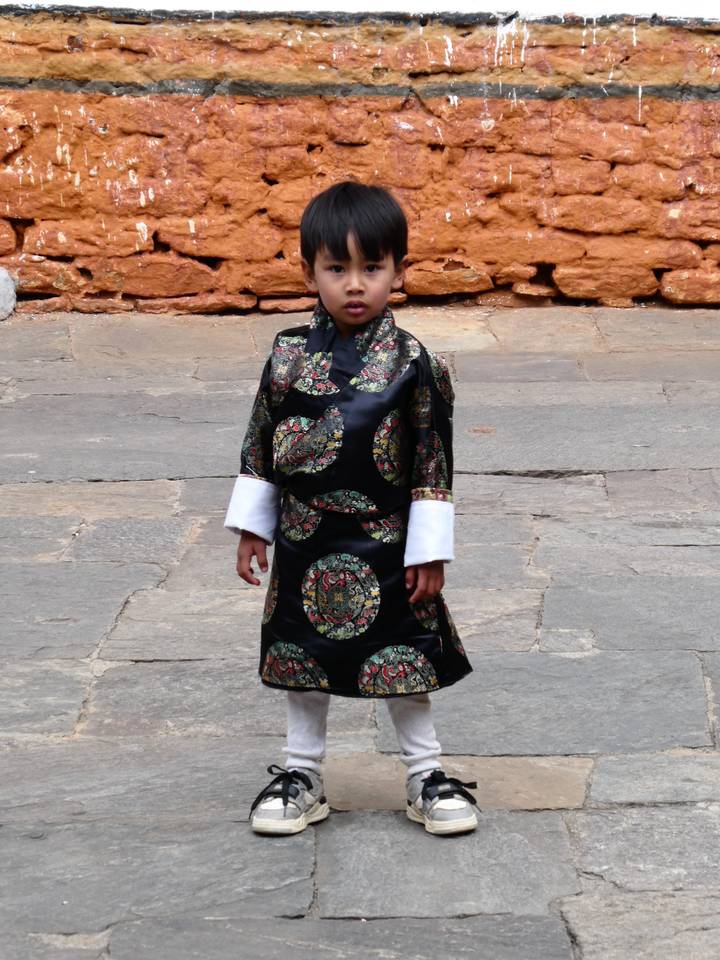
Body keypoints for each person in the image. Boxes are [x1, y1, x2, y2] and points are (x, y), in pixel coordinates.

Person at [224, 180, 478, 837]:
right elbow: (261, 440)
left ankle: (426, 774)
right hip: (306, 540)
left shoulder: (415, 364)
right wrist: (256, 524)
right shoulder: (285, 358)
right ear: (309, 270)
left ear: (399, 271)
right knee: (302, 658)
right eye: (338, 269)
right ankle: (301, 772)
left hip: (389, 542)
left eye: (373, 267)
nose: (356, 284)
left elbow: (432, 460)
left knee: (403, 657)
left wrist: (430, 551)